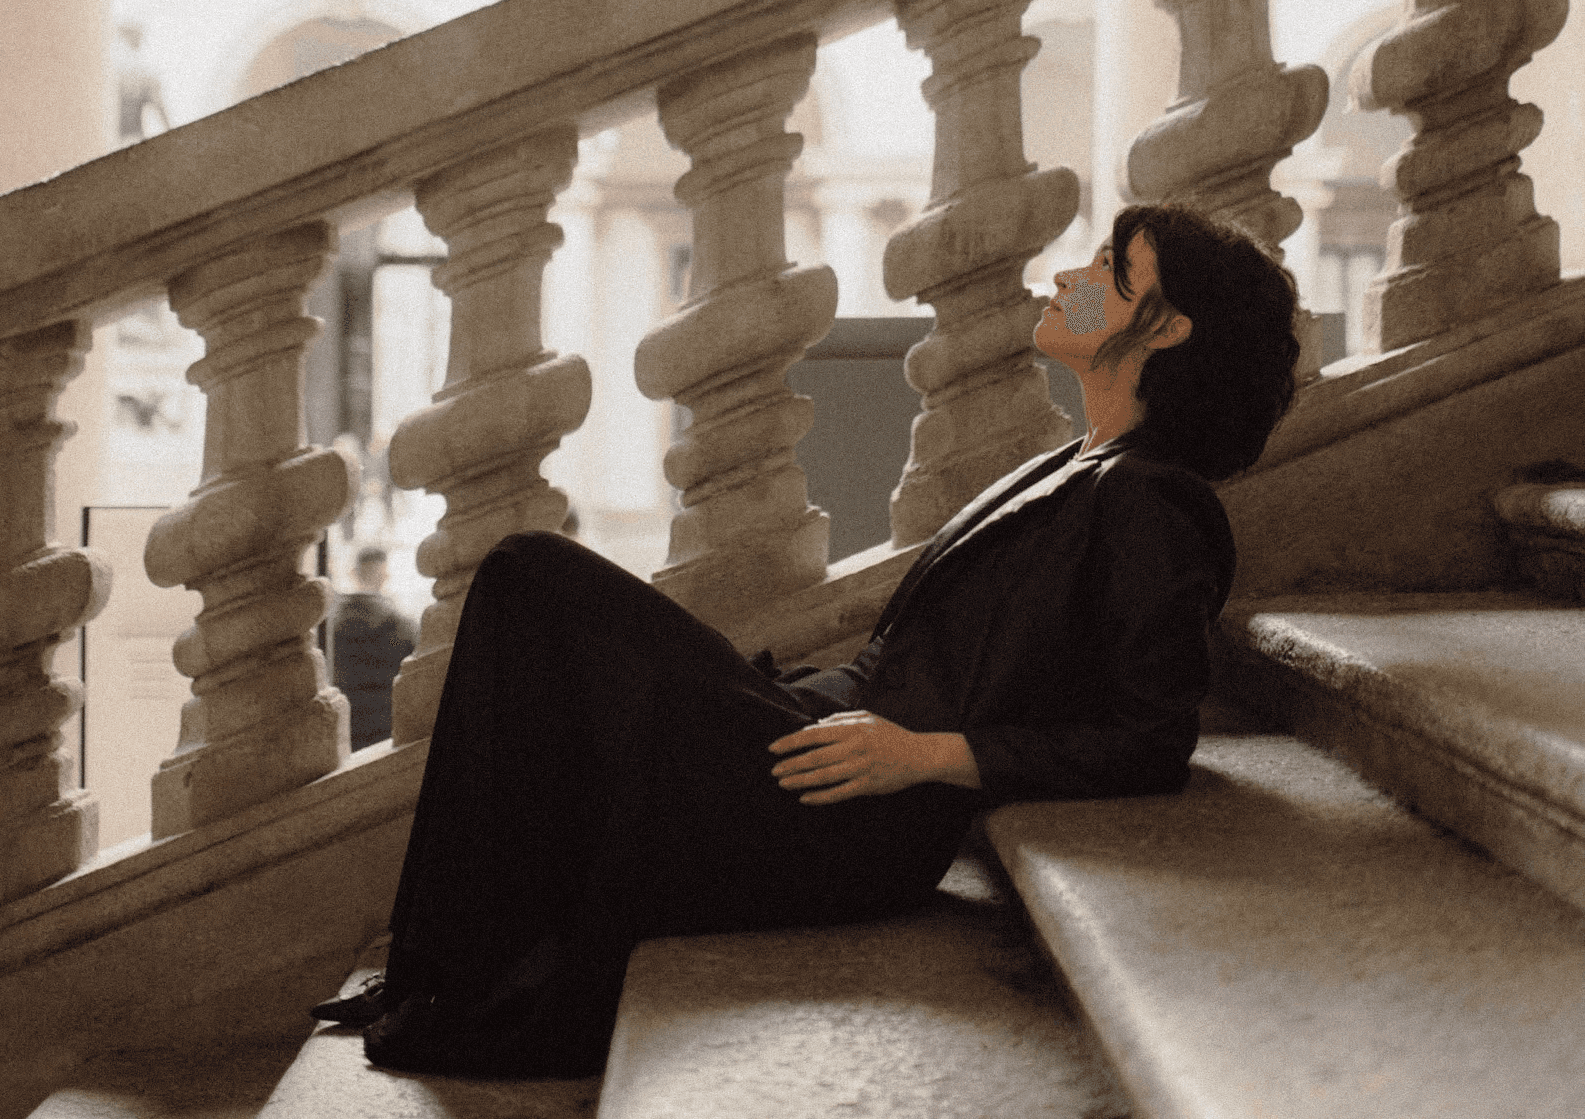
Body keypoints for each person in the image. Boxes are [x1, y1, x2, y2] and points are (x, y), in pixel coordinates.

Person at [312, 201, 1300, 1080]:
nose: (1068, 277)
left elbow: (1148, 739)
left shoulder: (1154, 502)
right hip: (824, 731)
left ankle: (450, 979)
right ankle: (441, 974)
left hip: (859, 809)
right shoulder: (1081, 460)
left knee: (531, 573)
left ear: (1165, 326)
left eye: (1109, 272)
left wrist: (925, 757)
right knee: (536, 614)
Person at [331, 547, 417, 752]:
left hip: (344, 736)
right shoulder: (404, 627)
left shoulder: (329, 628)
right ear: (385, 575)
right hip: (388, 737)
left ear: (354, 574)